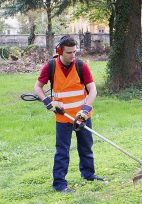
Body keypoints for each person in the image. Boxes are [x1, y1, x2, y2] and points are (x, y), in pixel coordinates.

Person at [34, 35, 104, 193]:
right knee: (62, 150)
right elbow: (37, 87)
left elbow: (92, 89)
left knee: (86, 147)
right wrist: (47, 101)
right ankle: (59, 183)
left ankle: (88, 175)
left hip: (81, 116)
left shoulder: (81, 66)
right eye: (69, 53)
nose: (73, 56)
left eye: (74, 52)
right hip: (63, 117)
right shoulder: (50, 67)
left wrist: (86, 109)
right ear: (60, 51)